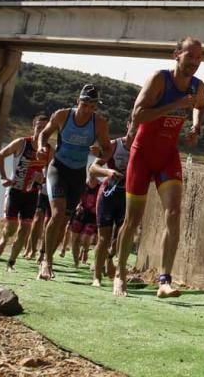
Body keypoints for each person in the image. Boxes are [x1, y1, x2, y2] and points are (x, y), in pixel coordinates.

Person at [112, 39, 204, 299]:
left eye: (199, 58)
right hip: (142, 155)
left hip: (167, 155)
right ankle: (120, 274)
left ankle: (165, 280)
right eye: (190, 56)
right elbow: (138, 115)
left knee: (174, 213)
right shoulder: (159, 80)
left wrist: (195, 128)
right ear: (176, 55)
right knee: (133, 220)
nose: (195, 62)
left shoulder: (198, 86)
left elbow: (200, 107)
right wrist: (175, 106)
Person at [35, 84, 114, 280]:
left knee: (63, 222)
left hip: (78, 174)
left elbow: (107, 148)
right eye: (85, 104)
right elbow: (45, 134)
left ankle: (47, 254)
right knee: (57, 214)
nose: (88, 109)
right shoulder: (63, 115)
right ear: (77, 101)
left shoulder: (99, 123)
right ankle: (46, 261)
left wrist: (100, 155)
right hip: (58, 169)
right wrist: (41, 147)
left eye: (93, 106)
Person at [0, 114, 51, 270]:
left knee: (24, 229)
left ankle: (11, 262)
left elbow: (52, 172)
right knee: (11, 227)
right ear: (34, 127)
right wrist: (3, 177)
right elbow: (0, 155)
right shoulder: (21, 143)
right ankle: (4, 240)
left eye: (45, 128)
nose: (41, 130)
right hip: (15, 190)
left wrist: (44, 179)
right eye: (39, 127)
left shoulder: (49, 150)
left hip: (32, 194)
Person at [90, 123, 135, 287]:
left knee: (120, 239)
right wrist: (108, 172)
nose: (136, 131)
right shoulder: (115, 145)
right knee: (104, 238)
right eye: (134, 126)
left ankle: (109, 258)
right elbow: (93, 168)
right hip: (108, 194)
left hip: (127, 196)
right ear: (128, 125)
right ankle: (96, 277)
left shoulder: (141, 148)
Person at [69, 172, 101, 269]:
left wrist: (97, 208)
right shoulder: (83, 184)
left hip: (92, 215)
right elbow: (76, 196)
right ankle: (76, 262)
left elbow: (103, 199)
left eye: (94, 174)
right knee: (75, 239)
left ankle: (85, 251)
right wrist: (78, 205)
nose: (92, 176)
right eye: (91, 174)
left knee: (86, 237)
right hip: (80, 213)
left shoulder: (100, 186)